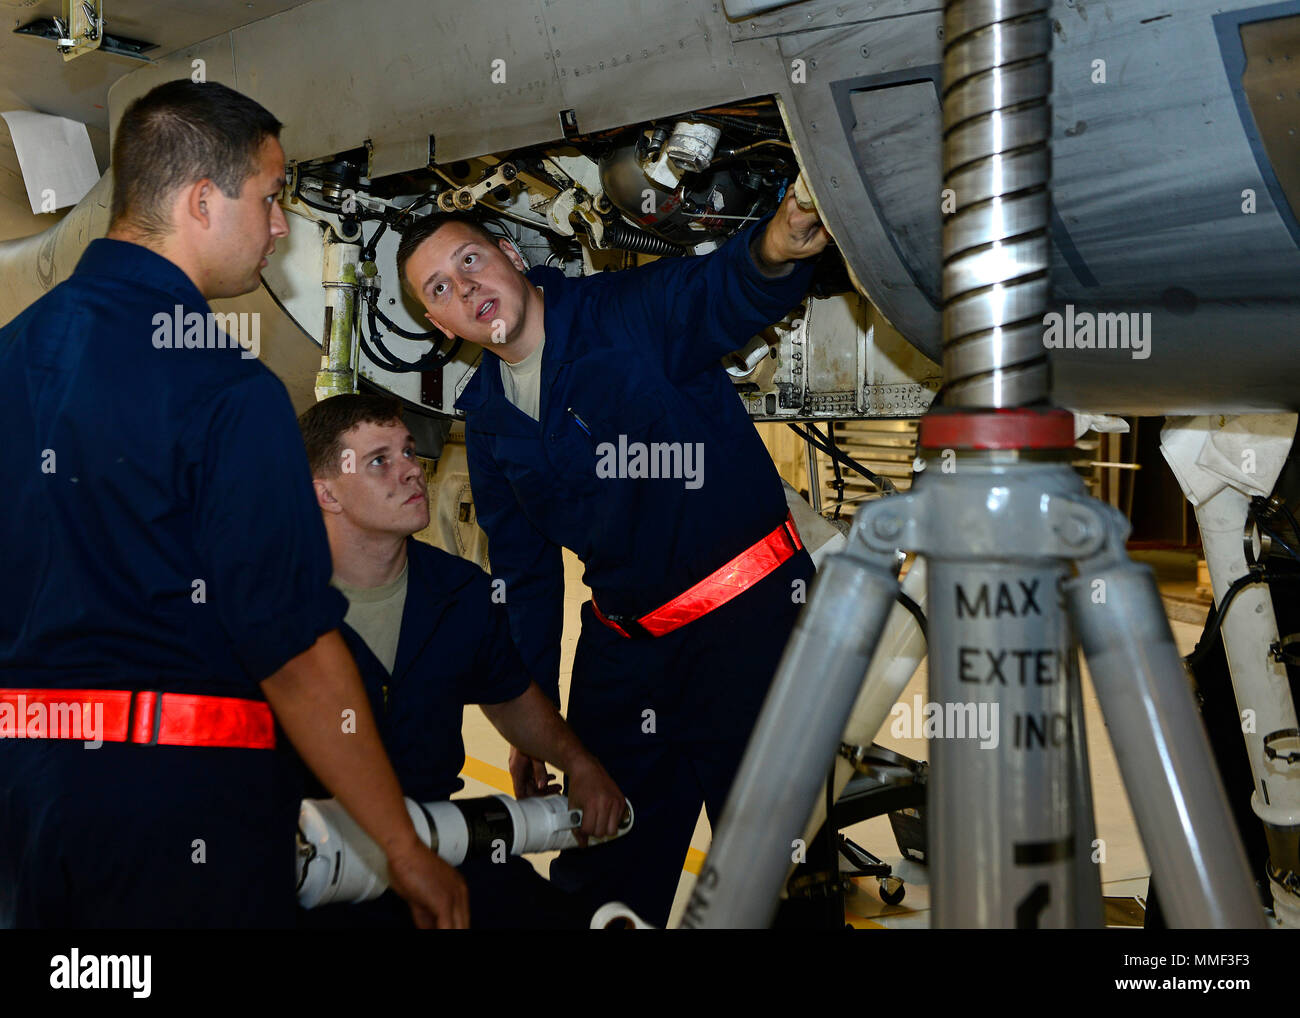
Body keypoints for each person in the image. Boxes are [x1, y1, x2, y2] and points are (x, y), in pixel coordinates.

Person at [0, 79, 465, 929]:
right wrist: (403, 846)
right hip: (176, 823)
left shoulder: (10, 356)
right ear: (202, 201)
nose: (281, 224)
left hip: (25, 812)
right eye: (272, 196)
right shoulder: (225, 390)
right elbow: (293, 656)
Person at [396, 190, 828, 925]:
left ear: (509, 255)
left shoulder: (626, 312)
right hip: (625, 657)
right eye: (440, 288)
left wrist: (773, 252)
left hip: (750, 629)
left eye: (470, 260)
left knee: (775, 878)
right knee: (601, 871)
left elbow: (713, 294)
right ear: (440, 324)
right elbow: (524, 577)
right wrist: (536, 720)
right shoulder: (490, 421)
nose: (465, 287)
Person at [296, 393, 625, 928]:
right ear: (325, 494)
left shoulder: (460, 592)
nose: (410, 471)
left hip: (434, 836)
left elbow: (510, 696)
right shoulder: (275, 607)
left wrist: (579, 762)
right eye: (380, 460)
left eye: (408, 452)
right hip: (314, 860)